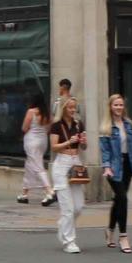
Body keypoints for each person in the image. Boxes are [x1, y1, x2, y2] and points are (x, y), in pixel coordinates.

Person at [98, 92, 132, 252]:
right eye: (116, 105)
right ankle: (123, 236)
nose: (119, 107)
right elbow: (105, 151)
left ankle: (109, 230)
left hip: (128, 164)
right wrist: (106, 167)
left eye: (121, 105)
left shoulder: (129, 125)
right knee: (123, 198)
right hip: (113, 167)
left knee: (119, 200)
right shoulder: (106, 128)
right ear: (110, 107)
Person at [48, 95, 88, 253]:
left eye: (74, 108)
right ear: (63, 108)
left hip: (76, 161)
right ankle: (69, 241)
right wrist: (68, 142)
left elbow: (84, 147)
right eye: (70, 107)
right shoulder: (56, 125)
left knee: (78, 206)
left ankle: (63, 225)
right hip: (61, 164)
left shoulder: (79, 124)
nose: (73, 110)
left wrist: (83, 142)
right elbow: (53, 147)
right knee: (68, 208)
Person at [42, 78, 74, 207]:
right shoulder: (75, 102)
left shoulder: (57, 102)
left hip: (60, 136)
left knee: (59, 166)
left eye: (60, 87)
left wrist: (50, 131)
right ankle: (59, 191)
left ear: (63, 88)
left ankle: (56, 192)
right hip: (72, 136)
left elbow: (54, 118)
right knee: (67, 168)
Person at [19, 89, 51, 204]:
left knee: (37, 166)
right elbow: (48, 129)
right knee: (30, 164)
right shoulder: (46, 113)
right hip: (43, 140)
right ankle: (24, 193)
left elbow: (24, 127)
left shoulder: (31, 111)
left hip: (31, 140)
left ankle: (49, 191)